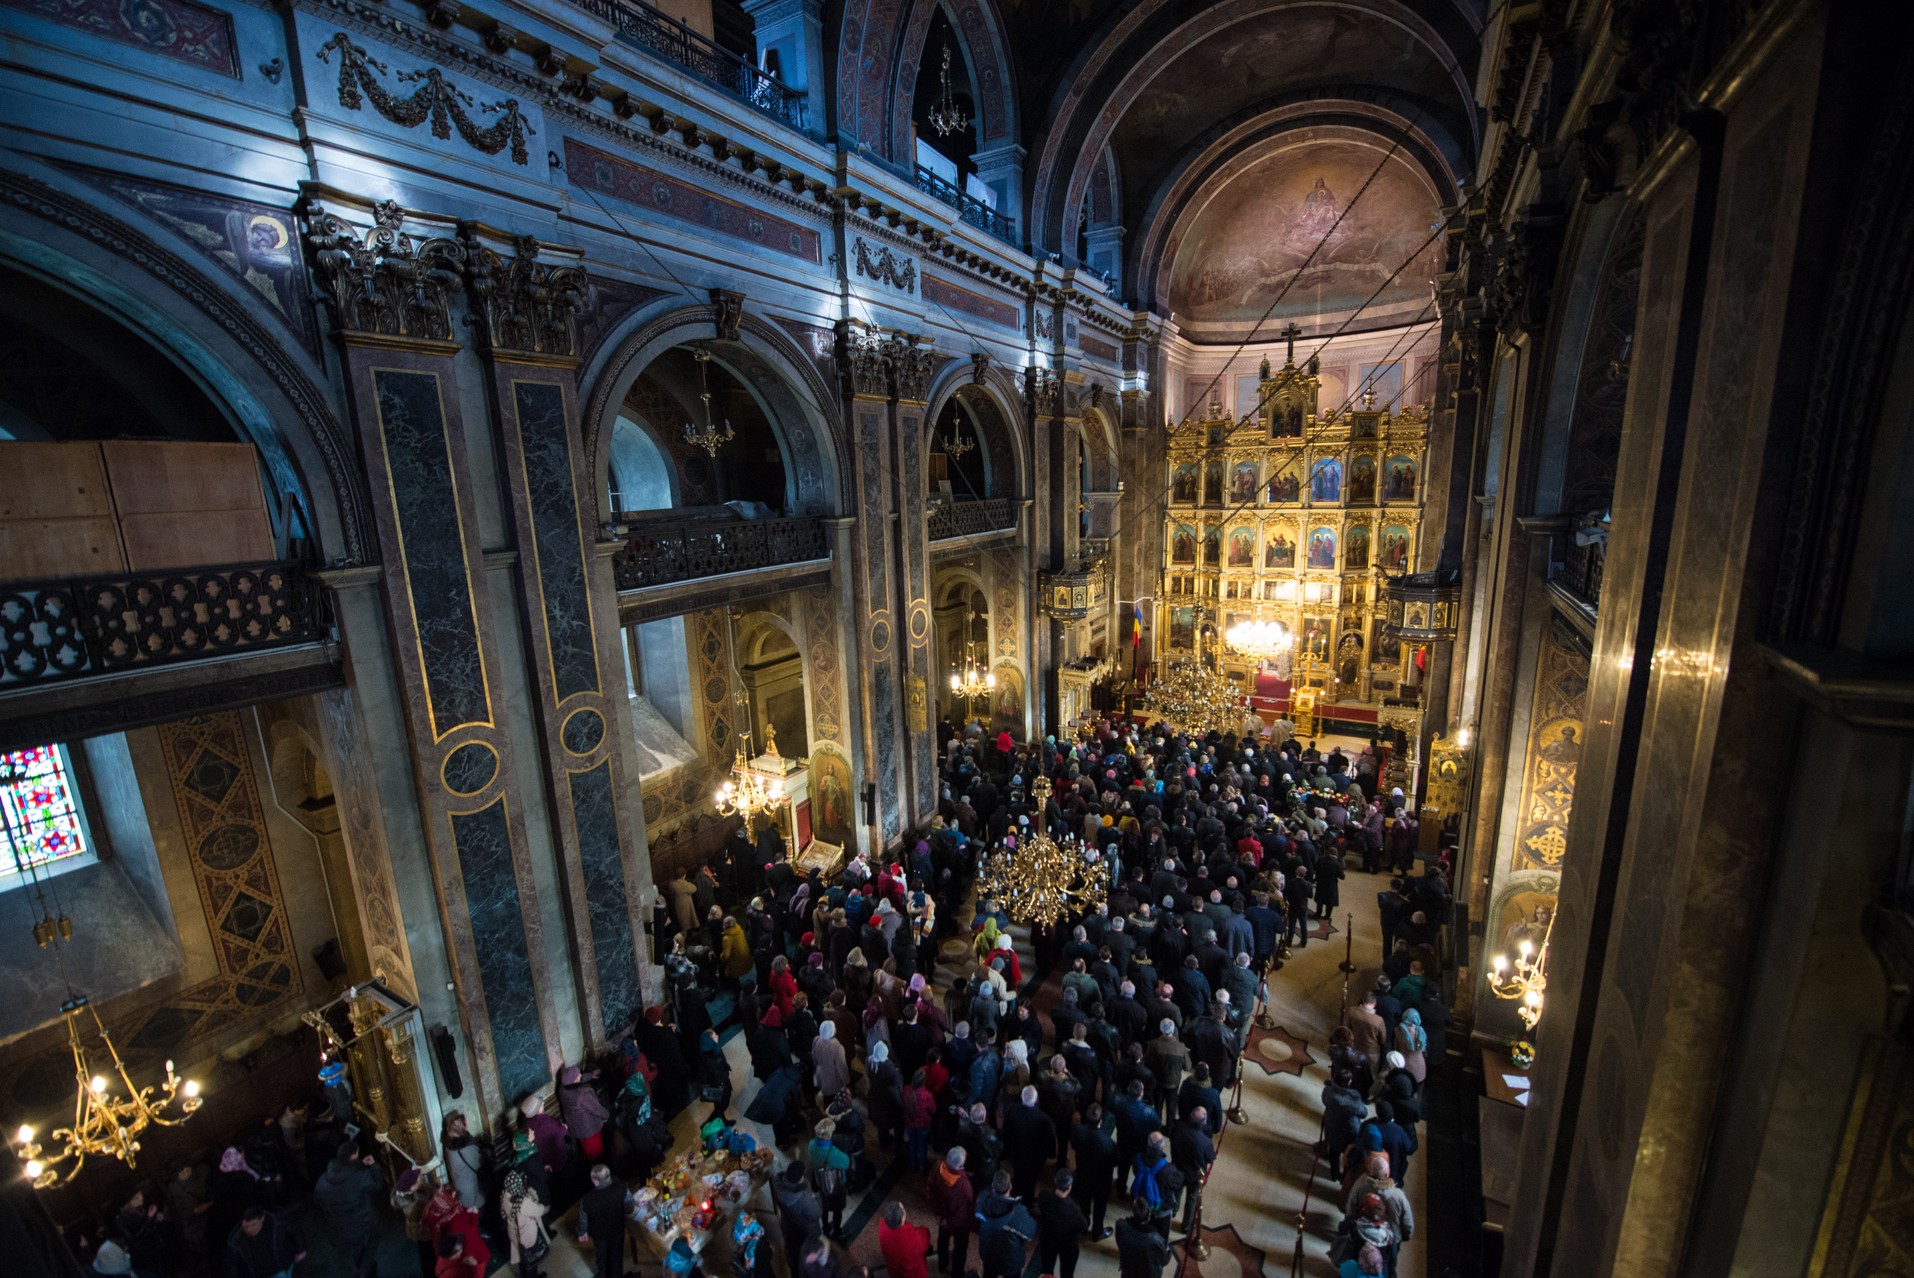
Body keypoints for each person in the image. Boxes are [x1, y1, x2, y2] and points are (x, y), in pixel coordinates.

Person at [314, 1142, 383, 1278]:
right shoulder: (360, 1178)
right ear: (353, 1156)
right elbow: (376, 1185)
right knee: (377, 1233)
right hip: (361, 1222)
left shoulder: (322, 1180)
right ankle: (364, 1269)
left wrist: (359, 1164)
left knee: (357, 1248)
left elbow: (318, 1201)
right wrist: (374, 1166)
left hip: (338, 1227)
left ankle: (363, 1269)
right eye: (357, 1153)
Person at [1069, 1102, 1118, 1239]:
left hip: (1083, 1175)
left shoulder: (1077, 1131)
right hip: (1102, 1181)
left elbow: (1074, 1145)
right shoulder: (1108, 1143)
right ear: (1100, 1121)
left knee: (1084, 1204)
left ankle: (1084, 1227)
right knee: (1100, 1207)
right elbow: (1115, 1161)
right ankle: (1097, 1232)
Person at [975, 1170, 1036, 1278]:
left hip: (988, 1254)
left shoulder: (982, 1200)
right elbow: (1030, 1233)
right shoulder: (1018, 1213)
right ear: (1010, 1186)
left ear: (993, 1185)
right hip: (1011, 1261)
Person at [577, 1163, 630, 1278]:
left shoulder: (587, 1199)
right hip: (617, 1228)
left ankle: (602, 1274)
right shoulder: (622, 1187)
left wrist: (582, 1232)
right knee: (616, 1255)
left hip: (599, 1234)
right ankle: (617, 1275)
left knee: (601, 1255)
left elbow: (583, 1218)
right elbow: (629, 1206)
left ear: (596, 1182)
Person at [771, 1161, 821, 1278]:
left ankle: (794, 1270)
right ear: (800, 1177)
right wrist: (817, 1199)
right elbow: (816, 1213)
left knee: (793, 1251)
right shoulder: (803, 1198)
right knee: (806, 1253)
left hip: (788, 1225)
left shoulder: (778, 1185)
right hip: (805, 1230)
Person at [930, 1147, 976, 1276]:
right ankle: (957, 1273)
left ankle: (942, 1264)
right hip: (957, 1225)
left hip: (942, 1216)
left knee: (943, 1241)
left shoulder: (937, 1168)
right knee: (960, 1248)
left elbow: (931, 1191)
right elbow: (963, 1214)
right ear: (961, 1166)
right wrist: (950, 1222)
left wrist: (939, 1216)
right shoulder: (964, 1187)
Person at [1035, 1169, 1088, 1278]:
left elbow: (1040, 1206)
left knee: (1047, 1269)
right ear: (1070, 1187)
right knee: (1067, 1273)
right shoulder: (1074, 1210)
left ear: (1055, 1180)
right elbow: (1083, 1226)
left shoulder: (1044, 1196)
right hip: (1067, 1246)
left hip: (1048, 1240)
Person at [224, 1207, 303, 1278]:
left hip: (287, 1262)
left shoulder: (276, 1224)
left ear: (262, 1219)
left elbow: (294, 1231)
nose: (249, 1229)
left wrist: (300, 1249)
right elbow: (233, 1265)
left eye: (253, 1224)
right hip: (270, 1274)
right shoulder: (237, 1241)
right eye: (245, 1227)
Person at [501, 1170, 551, 1278]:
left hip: (514, 1232)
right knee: (531, 1257)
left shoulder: (505, 1194)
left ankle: (523, 1275)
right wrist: (533, 1195)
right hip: (526, 1235)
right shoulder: (522, 1202)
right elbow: (539, 1210)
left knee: (522, 1256)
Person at [806, 1120, 851, 1237]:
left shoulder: (811, 1144)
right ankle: (837, 1231)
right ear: (829, 1134)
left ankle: (825, 1227)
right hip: (836, 1184)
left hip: (820, 1181)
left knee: (824, 1207)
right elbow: (846, 1163)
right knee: (837, 1209)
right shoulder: (832, 1152)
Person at [1114, 1198, 1171, 1278]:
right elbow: (1164, 1260)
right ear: (1148, 1215)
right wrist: (1169, 1251)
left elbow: (1119, 1242)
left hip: (1128, 1269)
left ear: (1133, 1212)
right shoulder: (1156, 1239)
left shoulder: (1120, 1226)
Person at [878, 1202, 930, 1278]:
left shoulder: (882, 1224)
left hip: (894, 1270)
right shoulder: (914, 1238)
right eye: (903, 1209)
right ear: (902, 1218)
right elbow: (925, 1236)